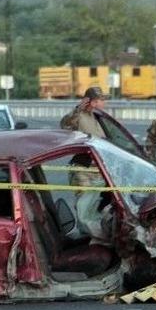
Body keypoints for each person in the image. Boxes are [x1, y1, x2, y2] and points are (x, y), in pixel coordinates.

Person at [59, 87, 111, 241]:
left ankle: (93, 235)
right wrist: (77, 109)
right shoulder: (79, 116)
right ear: (92, 102)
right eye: (101, 100)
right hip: (83, 167)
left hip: (98, 167)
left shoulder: (97, 118)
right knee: (84, 204)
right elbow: (65, 125)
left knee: (94, 204)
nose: (104, 103)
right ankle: (85, 238)